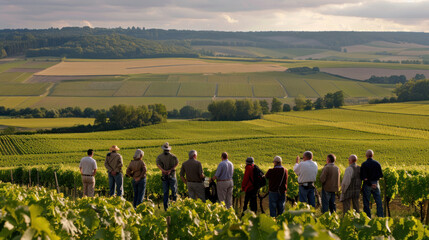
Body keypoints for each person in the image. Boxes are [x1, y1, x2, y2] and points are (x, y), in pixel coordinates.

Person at [360, 149, 384, 218]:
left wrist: (370, 183)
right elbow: (381, 175)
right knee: (378, 201)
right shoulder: (377, 163)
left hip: (367, 184)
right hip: (376, 184)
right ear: (372, 155)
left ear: (366, 156)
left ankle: (368, 217)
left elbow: (362, 177)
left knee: (366, 202)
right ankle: (380, 217)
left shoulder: (364, 164)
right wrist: (374, 182)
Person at [156, 142, 179, 211]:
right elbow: (177, 163)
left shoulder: (159, 157)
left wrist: (163, 171)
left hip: (164, 176)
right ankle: (174, 206)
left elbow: (158, 165)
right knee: (174, 191)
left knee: (166, 192)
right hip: (172, 175)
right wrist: (170, 170)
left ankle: (166, 208)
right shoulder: (173, 156)